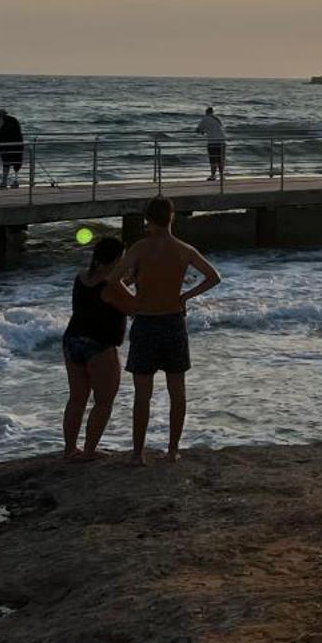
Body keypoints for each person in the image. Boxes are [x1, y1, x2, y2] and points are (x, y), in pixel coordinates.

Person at [105, 197, 221, 463]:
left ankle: (137, 453)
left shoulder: (139, 248)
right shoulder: (183, 249)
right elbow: (214, 277)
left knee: (142, 394)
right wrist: (185, 296)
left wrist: (133, 299)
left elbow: (113, 280)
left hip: (146, 321)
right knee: (177, 391)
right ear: (171, 217)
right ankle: (172, 450)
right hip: (173, 321)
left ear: (148, 219)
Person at [61, 236, 127, 461]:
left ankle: (70, 449)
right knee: (103, 401)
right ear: (117, 259)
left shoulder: (81, 277)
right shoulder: (111, 285)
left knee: (76, 399)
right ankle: (89, 451)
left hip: (72, 340)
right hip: (99, 344)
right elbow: (134, 307)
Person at [0, 108, 24, 189]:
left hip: (6, 144)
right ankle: (16, 181)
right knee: (16, 163)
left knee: (6, 163)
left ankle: (4, 182)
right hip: (18, 143)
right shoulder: (14, 120)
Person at [196, 106, 227, 182]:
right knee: (220, 159)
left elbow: (198, 129)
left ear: (206, 112)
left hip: (213, 141)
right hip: (222, 141)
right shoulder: (217, 119)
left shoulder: (205, 119)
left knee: (213, 159)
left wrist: (202, 131)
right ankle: (221, 175)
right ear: (212, 112)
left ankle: (213, 175)